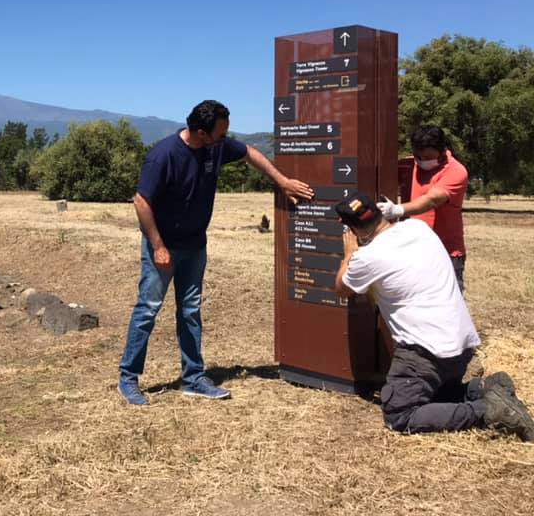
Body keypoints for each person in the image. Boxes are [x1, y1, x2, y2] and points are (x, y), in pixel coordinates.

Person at [117, 100, 314, 406]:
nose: (225, 140)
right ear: (199, 132)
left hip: (196, 246)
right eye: (220, 134)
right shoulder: (164, 155)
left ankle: (193, 378)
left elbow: (249, 152)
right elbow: (141, 201)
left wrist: (281, 181)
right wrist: (157, 246)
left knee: (190, 312)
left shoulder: (216, 147)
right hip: (164, 247)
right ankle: (128, 379)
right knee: (147, 310)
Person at [334, 191, 533, 439]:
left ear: (353, 230)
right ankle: (483, 388)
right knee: (435, 396)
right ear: (377, 211)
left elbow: (342, 288)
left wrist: (349, 254)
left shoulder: (367, 257)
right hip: (461, 346)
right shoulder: (419, 228)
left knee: (400, 415)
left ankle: (488, 410)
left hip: (425, 353)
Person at [377, 126, 468, 289]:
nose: (421, 160)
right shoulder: (408, 165)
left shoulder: (456, 171)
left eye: (427, 157)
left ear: (442, 151)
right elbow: (377, 177)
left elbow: (432, 200)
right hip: (410, 249)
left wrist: (397, 210)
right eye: (418, 155)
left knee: (445, 306)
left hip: (445, 252)